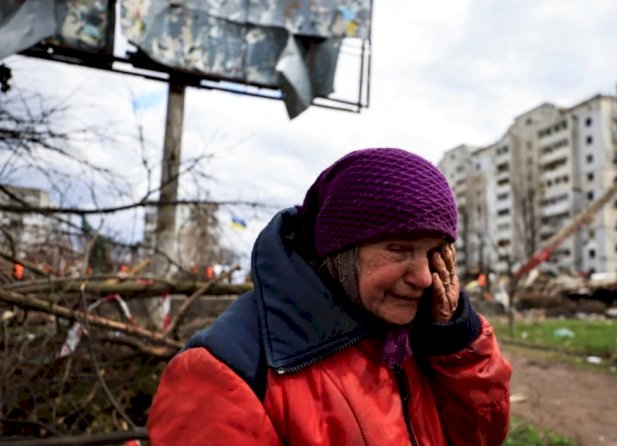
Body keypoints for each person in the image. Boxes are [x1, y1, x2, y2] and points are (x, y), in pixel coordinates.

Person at [147, 148, 512, 445]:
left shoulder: (414, 337)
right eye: (399, 249)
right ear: (339, 252)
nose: (422, 277)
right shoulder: (228, 374)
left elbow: (481, 437)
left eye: (435, 252)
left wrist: (455, 342)